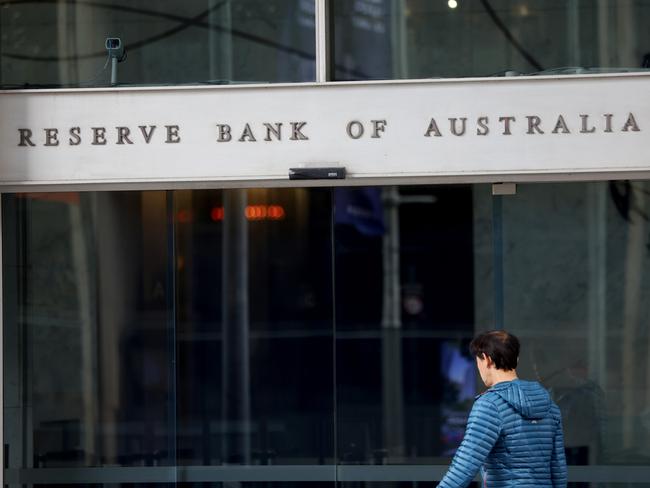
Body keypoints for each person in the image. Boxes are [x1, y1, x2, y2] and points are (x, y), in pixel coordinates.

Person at [437, 330, 567, 488]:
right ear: (516, 359)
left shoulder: (490, 404)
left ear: (486, 359)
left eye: (478, 362)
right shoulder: (550, 405)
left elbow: (464, 466)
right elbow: (558, 469)